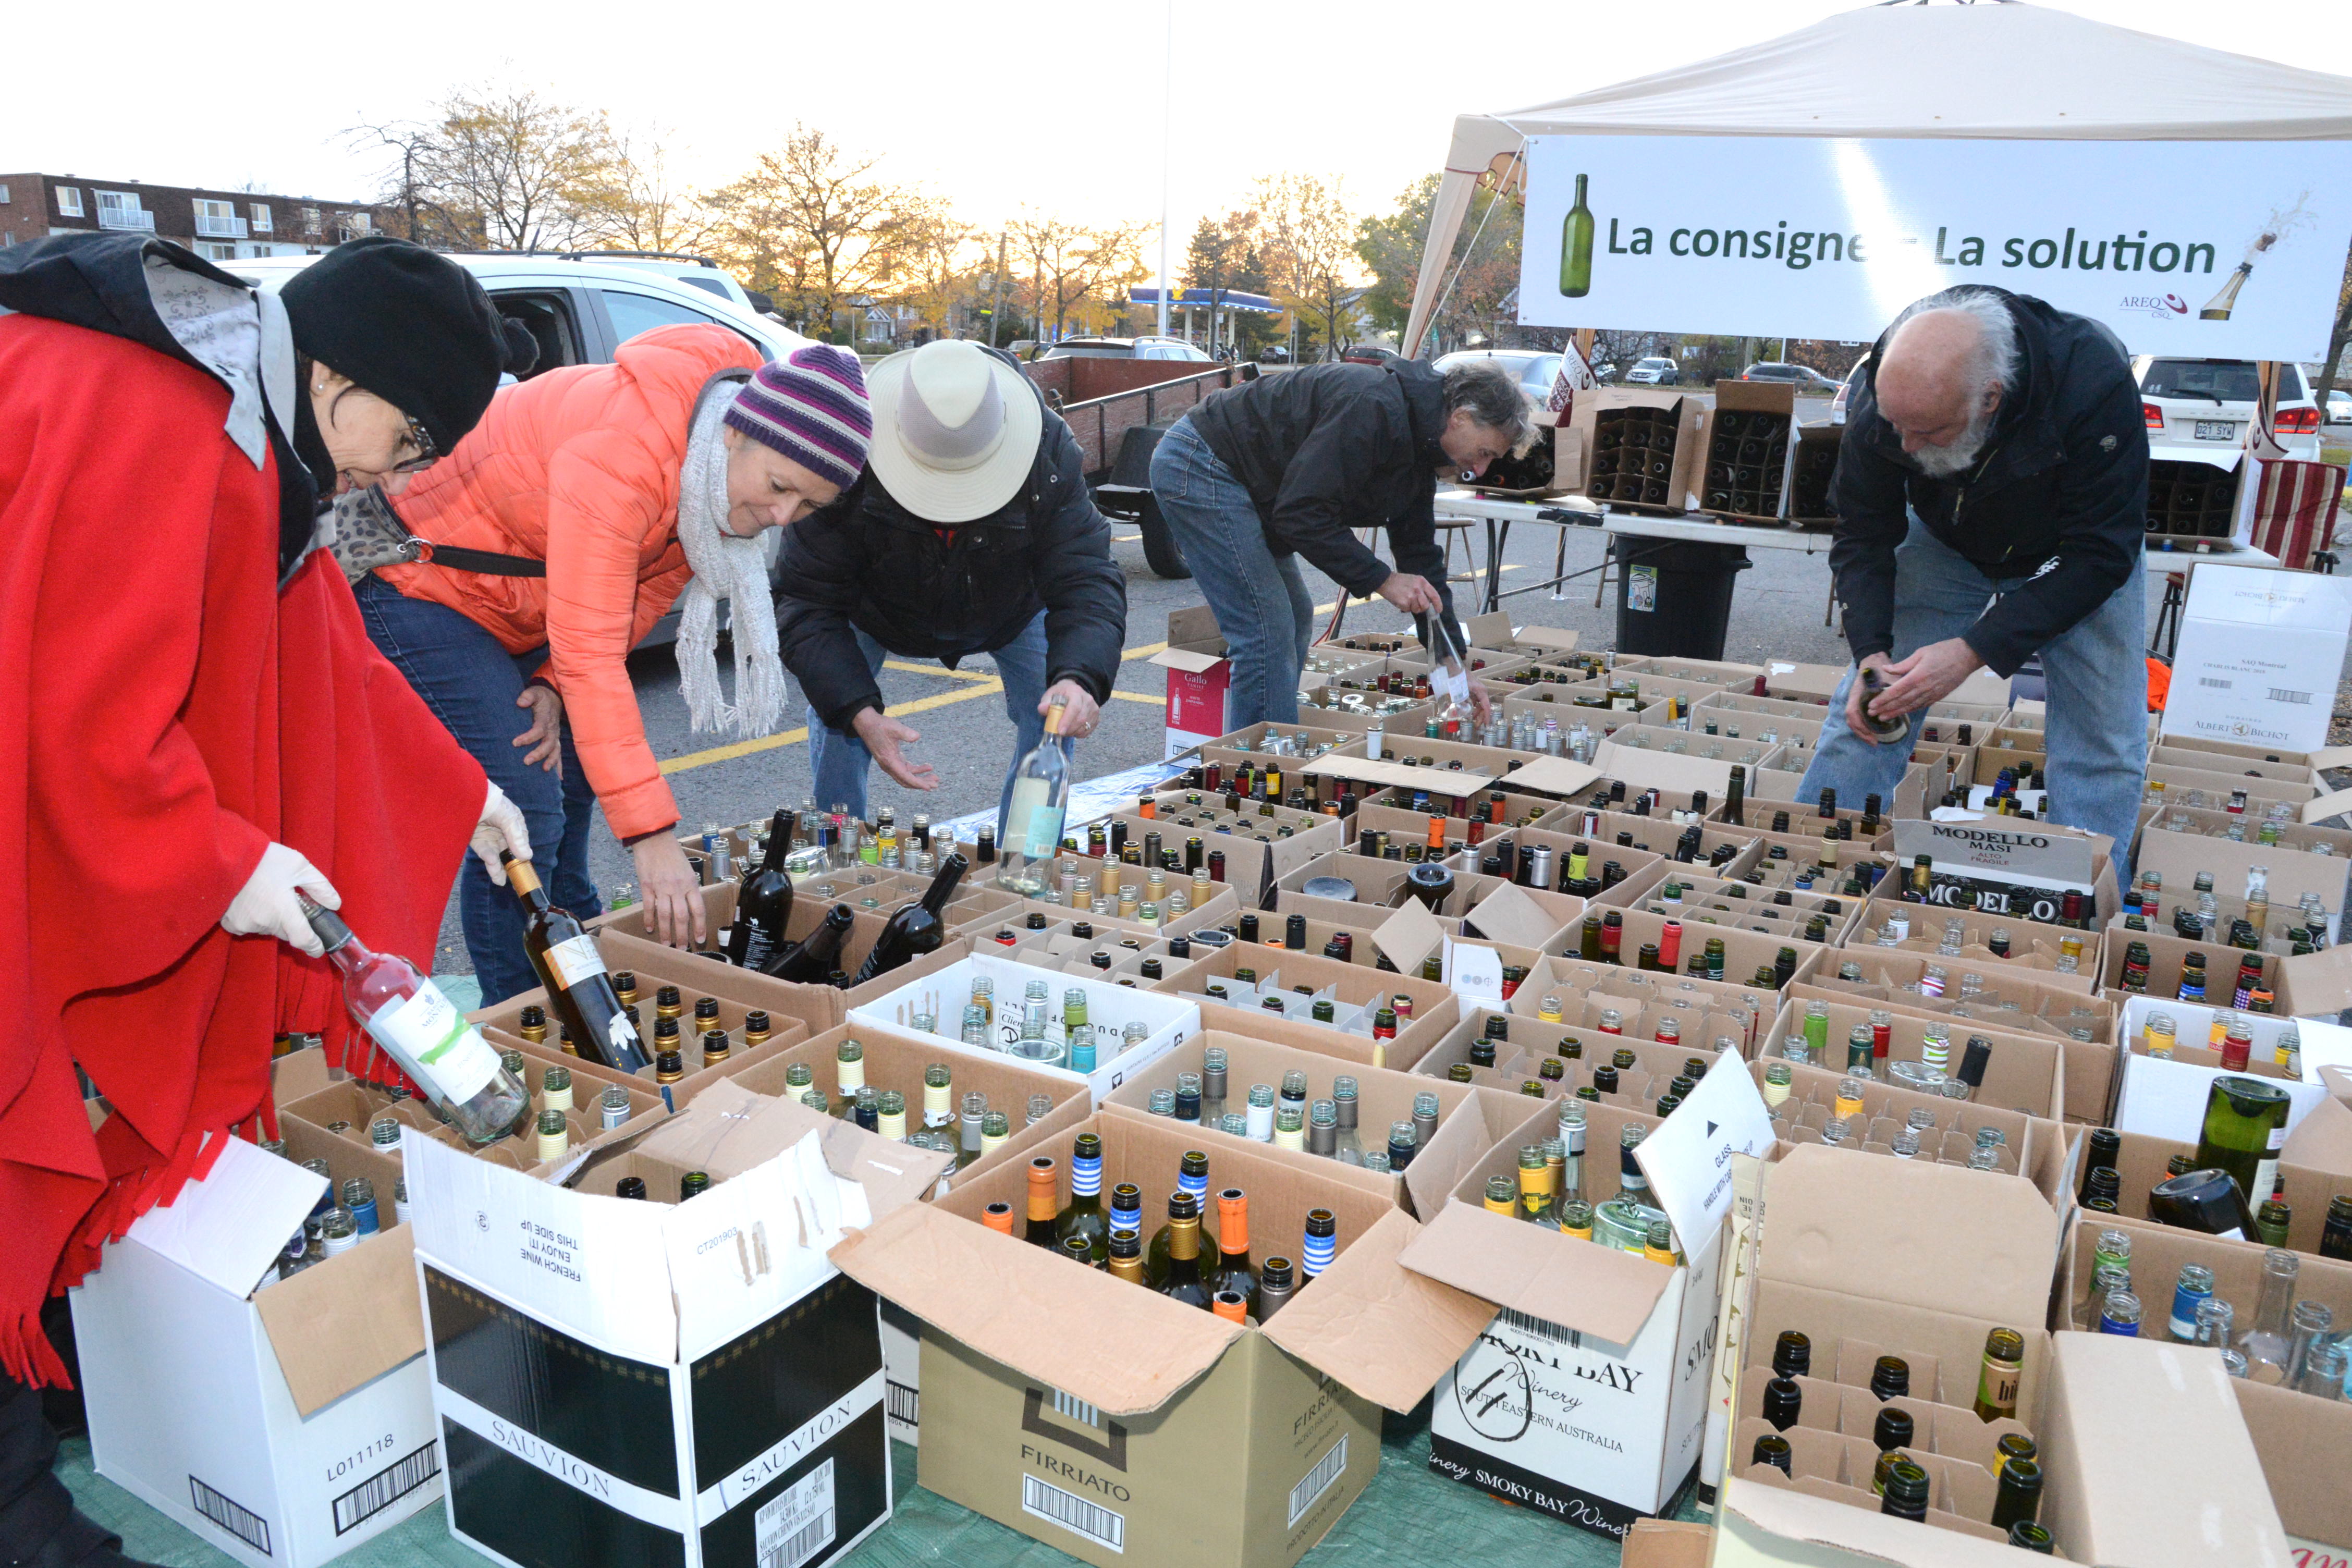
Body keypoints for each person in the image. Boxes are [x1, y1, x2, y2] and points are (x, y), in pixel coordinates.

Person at [0, 232, 532, 1568]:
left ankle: (62, 1364)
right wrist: (217, 860)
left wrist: (457, 788)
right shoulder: (158, 412)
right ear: (340, 374)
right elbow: (79, 717)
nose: (394, 474)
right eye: (405, 439)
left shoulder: (239, 415)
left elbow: (323, 658)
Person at [358, 330, 873, 1000]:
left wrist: (549, 679)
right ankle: (517, 1013)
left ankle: (581, 963)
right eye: (779, 486)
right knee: (523, 803)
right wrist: (653, 836)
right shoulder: (629, 454)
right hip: (422, 583)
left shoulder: (704, 484)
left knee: (569, 781)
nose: (780, 516)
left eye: (807, 505)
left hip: (520, 601)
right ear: (734, 433)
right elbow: (592, 655)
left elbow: (641, 593)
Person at [1802, 285, 2149, 875]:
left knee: (2104, 742)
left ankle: (2083, 902)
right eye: (1896, 427)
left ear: (1990, 397)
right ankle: (1812, 866)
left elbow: (2102, 549)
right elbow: (1863, 532)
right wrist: (1871, 652)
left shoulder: (2093, 383)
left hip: (2072, 549)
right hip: (1946, 537)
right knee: (1872, 700)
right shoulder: (1895, 388)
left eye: (1929, 432)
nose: (1906, 446)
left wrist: (1973, 651)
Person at [774, 339, 1126, 831]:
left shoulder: (1049, 451)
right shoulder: (845, 456)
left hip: (1012, 607)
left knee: (1055, 712)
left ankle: (1023, 860)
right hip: (875, 608)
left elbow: (1085, 575)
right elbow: (806, 601)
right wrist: (858, 710)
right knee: (838, 716)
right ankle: (839, 849)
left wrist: (1082, 676)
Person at [1149, 354, 1530, 728]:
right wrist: (1382, 579)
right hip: (1202, 461)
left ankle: (1273, 740)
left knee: (1295, 617)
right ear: (1460, 416)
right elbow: (1301, 514)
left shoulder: (1421, 445)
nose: (1478, 470)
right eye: (1484, 453)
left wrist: (1454, 668)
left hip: (1253, 483)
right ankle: (1263, 769)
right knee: (1265, 631)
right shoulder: (1374, 408)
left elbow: (1419, 556)